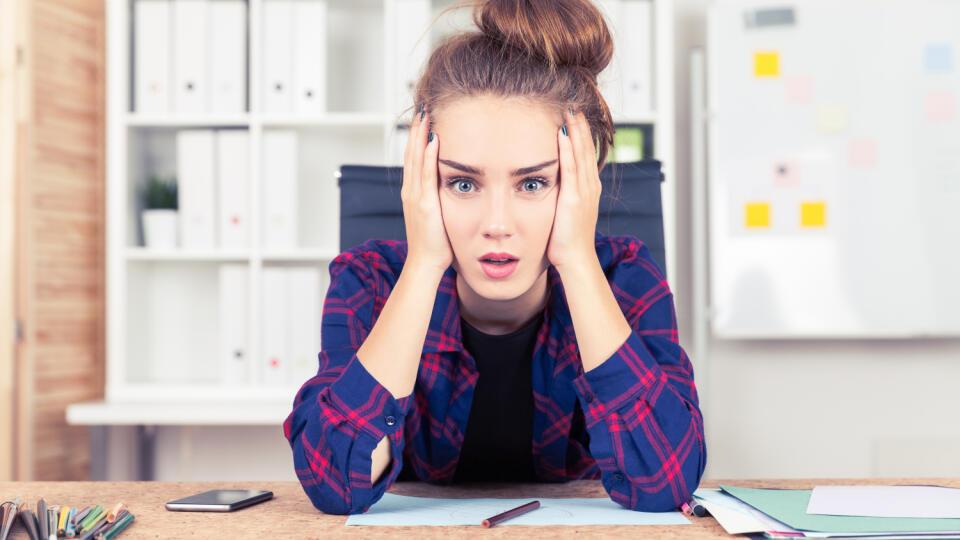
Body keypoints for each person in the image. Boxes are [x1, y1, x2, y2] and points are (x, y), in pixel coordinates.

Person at [283, 0, 706, 515]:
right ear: (423, 183)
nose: (497, 224)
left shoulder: (624, 280)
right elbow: (334, 485)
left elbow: (665, 481)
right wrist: (421, 267)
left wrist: (576, 258)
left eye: (533, 182)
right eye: (462, 183)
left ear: (580, 182)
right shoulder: (369, 281)